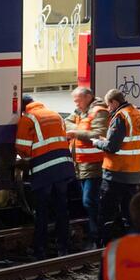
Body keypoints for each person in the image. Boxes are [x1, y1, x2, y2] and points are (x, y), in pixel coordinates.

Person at [15, 94, 76, 258]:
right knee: (62, 208)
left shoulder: (27, 119)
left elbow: (23, 148)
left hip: (43, 170)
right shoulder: (55, 114)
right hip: (63, 167)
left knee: (42, 211)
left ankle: (40, 250)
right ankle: (63, 246)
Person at [92, 89, 140, 247]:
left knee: (107, 211)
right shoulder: (137, 113)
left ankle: (102, 245)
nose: (108, 109)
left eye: (108, 106)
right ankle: (133, 244)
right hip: (133, 171)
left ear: (114, 102)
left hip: (116, 173)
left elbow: (112, 147)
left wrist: (97, 142)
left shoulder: (120, 117)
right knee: (130, 212)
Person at [65, 87, 110, 249]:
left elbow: (99, 133)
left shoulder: (99, 111)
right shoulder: (80, 111)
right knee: (88, 201)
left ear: (88, 97)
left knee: (89, 201)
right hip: (81, 165)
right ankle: (97, 235)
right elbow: (67, 122)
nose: (75, 103)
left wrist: (76, 133)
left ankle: (97, 236)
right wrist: (78, 130)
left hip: (95, 165)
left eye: (78, 100)